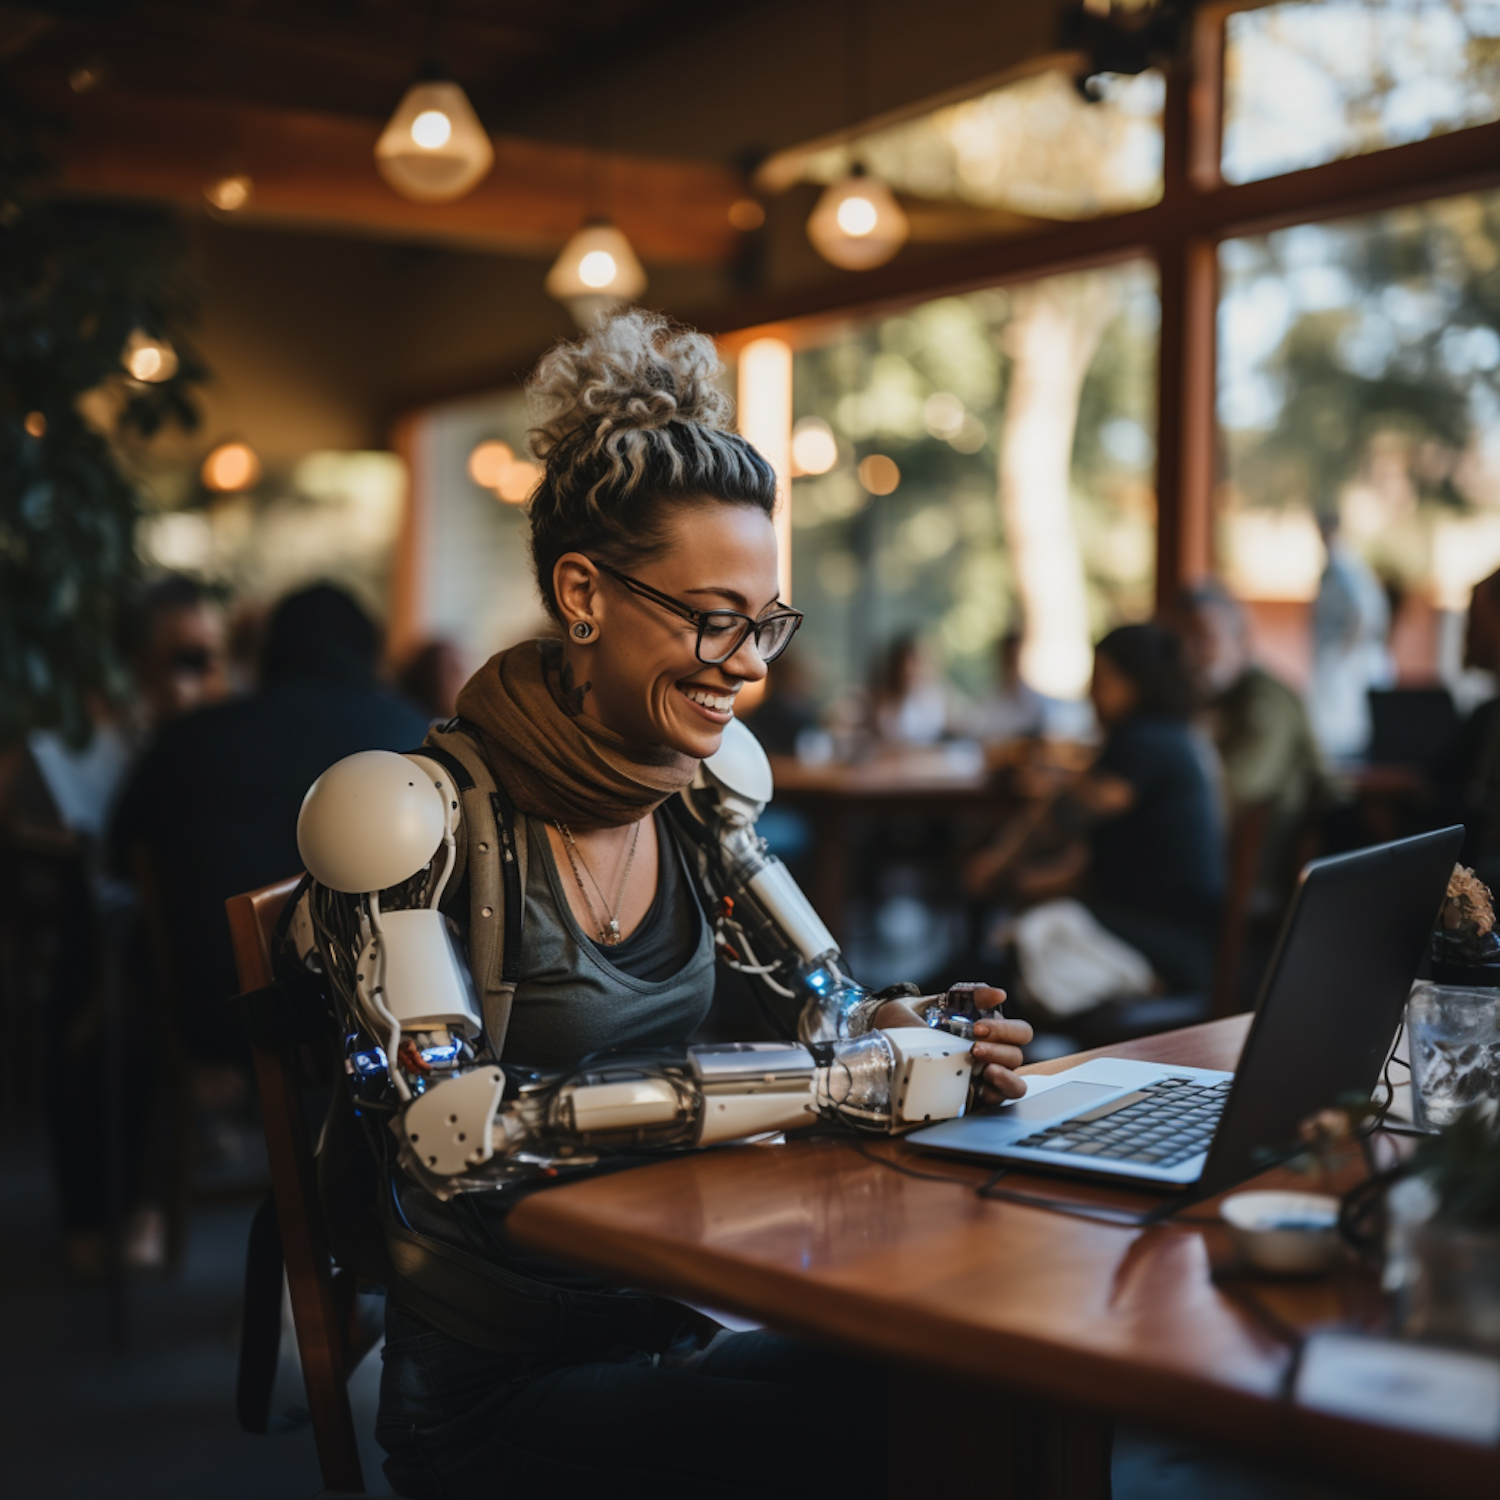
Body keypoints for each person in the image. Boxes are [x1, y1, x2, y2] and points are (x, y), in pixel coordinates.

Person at [352, 311, 1032, 1499]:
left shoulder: (703, 796)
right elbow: (451, 1134)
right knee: (911, 1454)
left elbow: (827, 1007)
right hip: (495, 1394)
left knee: (995, 1402)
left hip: (668, 1320)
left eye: (764, 622)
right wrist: (823, 1089)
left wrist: (913, 1031)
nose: (748, 663)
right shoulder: (407, 818)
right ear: (583, 593)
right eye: (713, 617)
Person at [110, 583, 430, 1062]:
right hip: (369, 1021)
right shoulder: (414, 736)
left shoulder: (189, 736)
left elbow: (120, 855)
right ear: (369, 650)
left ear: (271, 651)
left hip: (214, 1013)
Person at [967, 622, 1225, 1015]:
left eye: (1102, 679)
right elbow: (1101, 864)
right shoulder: (1174, 738)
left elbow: (1063, 814)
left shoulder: (1145, 740)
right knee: (1008, 935)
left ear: (1137, 683)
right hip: (1169, 934)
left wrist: (998, 864)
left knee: (1011, 954)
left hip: (1168, 946)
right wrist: (1016, 881)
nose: (1091, 692)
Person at [1173, 580, 1322, 893]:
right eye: (1180, 640)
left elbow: (1229, 797)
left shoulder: (1267, 702)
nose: (1187, 652)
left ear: (1240, 640)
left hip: (1261, 877)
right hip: (1219, 861)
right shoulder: (1210, 698)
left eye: (1203, 637)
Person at [1309, 511, 1393, 760]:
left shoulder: (1343, 565)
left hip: (1344, 652)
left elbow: (1363, 612)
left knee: (1343, 722)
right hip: (1343, 650)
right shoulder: (1342, 563)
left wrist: (1345, 650)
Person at [966, 628, 1047, 745]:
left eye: (1015, 659)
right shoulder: (988, 701)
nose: (1012, 666)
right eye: (1009, 659)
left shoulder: (1035, 703)